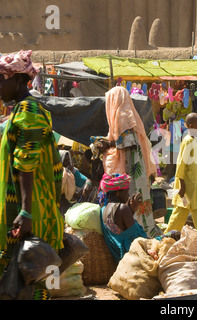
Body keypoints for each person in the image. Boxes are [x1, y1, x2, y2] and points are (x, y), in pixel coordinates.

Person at [0, 50, 65, 299]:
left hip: (31, 217)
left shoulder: (28, 110)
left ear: (17, 80)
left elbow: (26, 164)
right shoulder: (21, 110)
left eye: (0, 80)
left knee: (32, 288)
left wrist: (25, 212)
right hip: (28, 214)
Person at [95, 86, 161, 238]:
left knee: (132, 205)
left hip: (130, 170)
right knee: (138, 206)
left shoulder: (123, 116)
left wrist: (108, 145)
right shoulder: (127, 115)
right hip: (136, 171)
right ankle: (142, 234)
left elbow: (127, 142)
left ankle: (136, 237)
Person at [165, 113, 197, 235]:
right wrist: (181, 184)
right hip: (188, 187)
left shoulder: (192, 141)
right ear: (191, 126)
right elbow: (181, 163)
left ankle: (167, 238)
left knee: (180, 216)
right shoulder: (187, 141)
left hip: (194, 186)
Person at [99, 173, 148, 263]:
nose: (128, 195)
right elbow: (139, 238)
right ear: (118, 192)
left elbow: (121, 229)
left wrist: (131, 211)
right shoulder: (122, 208)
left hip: (118, 256)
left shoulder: (104, 209)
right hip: (132, 257)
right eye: (126, 191)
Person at [59, 150, 93, 215]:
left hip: (79, 202)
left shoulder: (73, 171)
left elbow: (87, 180)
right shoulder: (59, 176)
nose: (68, 163)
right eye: (65, 161)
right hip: (65, 206)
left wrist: (87, 185)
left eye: (69, 160)